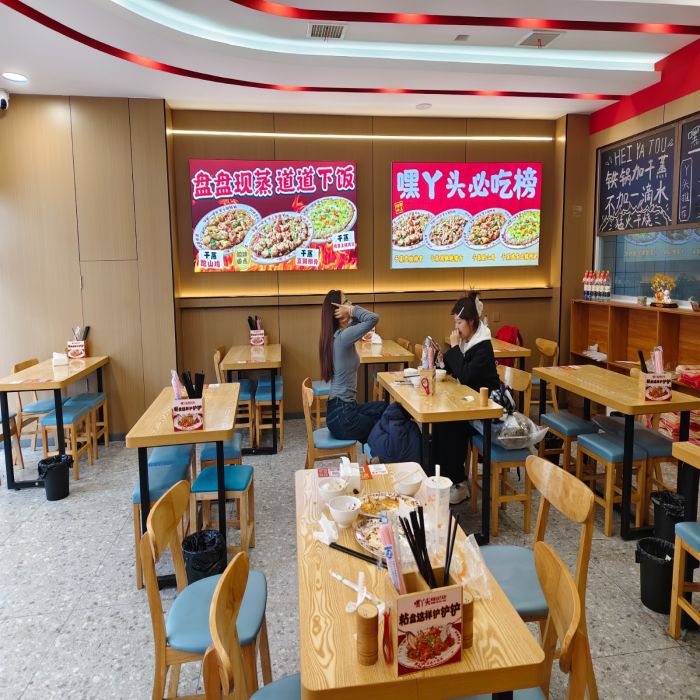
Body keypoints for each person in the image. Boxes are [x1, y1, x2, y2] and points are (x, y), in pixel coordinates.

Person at [433, 291, 500, 504]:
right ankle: (441, 477)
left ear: (471, 322)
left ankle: (458, 483)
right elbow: (454, 368)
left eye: (459, 322)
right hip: (469, 403)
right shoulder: (467, 341)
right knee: (440, 421)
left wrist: (454, 348)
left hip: (487, 409)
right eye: (455, 322)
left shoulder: (482, 345)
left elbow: (466, 374)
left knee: (450, 425)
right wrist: (441, 360)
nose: (456, 327)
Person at [319, 290, 388, 443]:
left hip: (341, 410)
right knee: (384, 424)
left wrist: (349, 312)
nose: (350, 304)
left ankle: (378, 450)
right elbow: (373, 318)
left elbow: (359, 323)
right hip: (343, 416)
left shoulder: (337, 335)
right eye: (346, 302)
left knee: (384, 408)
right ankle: (381, 453)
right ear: (337, 311)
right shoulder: (343, 337)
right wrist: (351, 310)